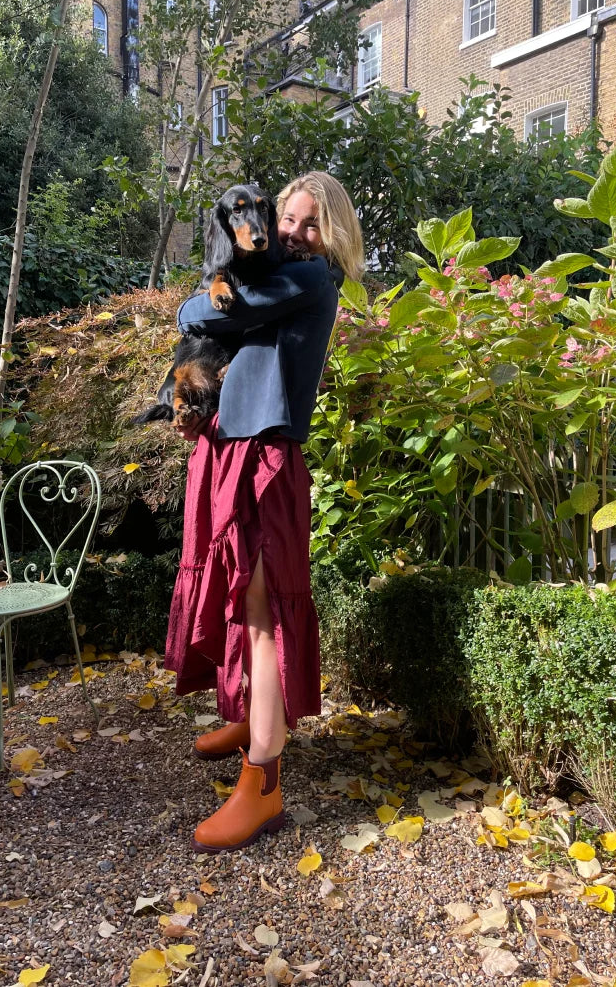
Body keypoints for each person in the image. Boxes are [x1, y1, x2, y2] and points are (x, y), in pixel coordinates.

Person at [165, 171, 365, 853]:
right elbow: (218, 308)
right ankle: (253, 716)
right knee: (239, 602)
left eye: (312, 224)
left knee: (264, 614)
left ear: (330, 234)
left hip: (265, 460)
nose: (295, 233)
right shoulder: (271, 270)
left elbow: (210, 315)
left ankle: (264, 781)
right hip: (232, 447)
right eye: (291, 220)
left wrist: (193, 309)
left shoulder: (311, 279)